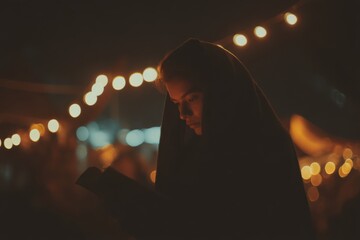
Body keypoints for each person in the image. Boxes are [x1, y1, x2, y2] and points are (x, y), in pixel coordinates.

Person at [76, 38, 316, 239]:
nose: (182, 115)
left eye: (191, 99)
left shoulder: (264, 149)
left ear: (221, 92)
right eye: (176, 104)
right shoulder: (187, 155)